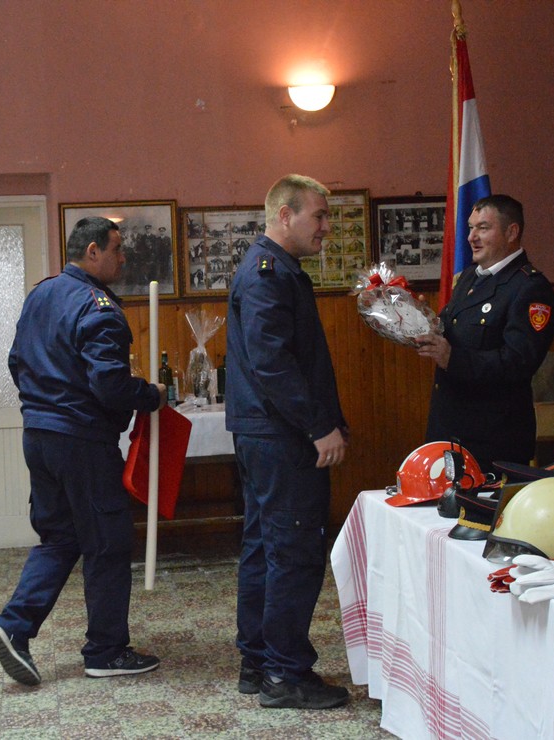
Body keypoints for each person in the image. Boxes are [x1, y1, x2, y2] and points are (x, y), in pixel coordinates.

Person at [0, 216, 167, 685]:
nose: (123, 258)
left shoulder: (40, 295)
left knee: (60, 538)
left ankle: (13, 627)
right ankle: (106, 651)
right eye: (116, 249)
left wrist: (45, 404)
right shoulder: (98, 306)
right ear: (92, 251)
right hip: (83, 441)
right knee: (107, 543)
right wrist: (149, 395)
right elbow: (109, 384)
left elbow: (16, 362)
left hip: (39, 436)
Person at [226, 174, 350, 709]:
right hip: (282, 436)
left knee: (265, 548)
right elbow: (272, 363)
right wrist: (318, 426)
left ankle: (259, 661)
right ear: (284, 215)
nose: (326, 228)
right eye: (318, 216)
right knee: (293, 553)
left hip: (269, 433)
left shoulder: (275, 270)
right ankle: (284, 674)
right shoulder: (267, 275)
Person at [415, 194, 554, 473]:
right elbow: (452, 332)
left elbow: (518, 362)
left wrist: (452, 358)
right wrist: (419, 320)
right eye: (471, 228)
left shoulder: (530, 288)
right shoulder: (471, 276)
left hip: (493, 441)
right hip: (449, 430)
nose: (471, 237)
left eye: (483, 228)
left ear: (511, 232)